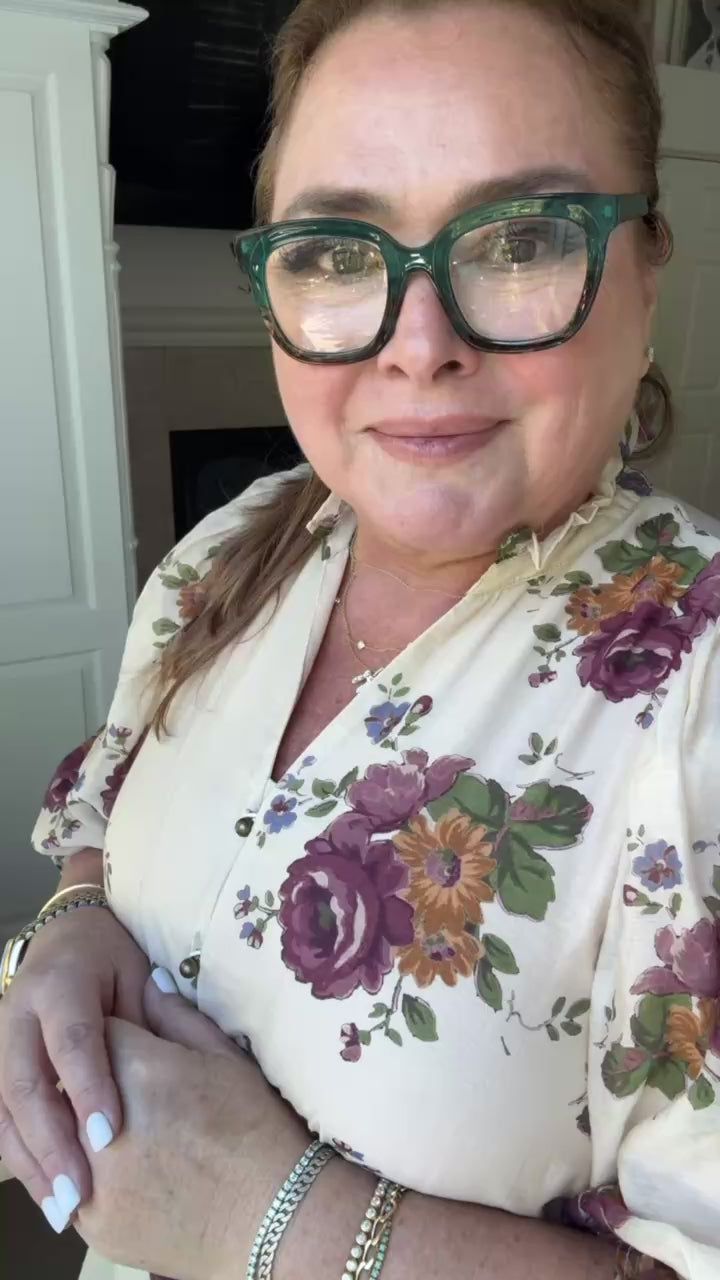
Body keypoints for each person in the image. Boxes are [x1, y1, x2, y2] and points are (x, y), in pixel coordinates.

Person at [1, 0, 718, 1277]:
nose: (418, 343)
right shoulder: (236, 544)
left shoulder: (698, 689)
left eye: (522, 238)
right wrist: (74, 921)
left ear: (648, 268)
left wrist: (262, 1215)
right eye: (337, 251)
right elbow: (103, 812)